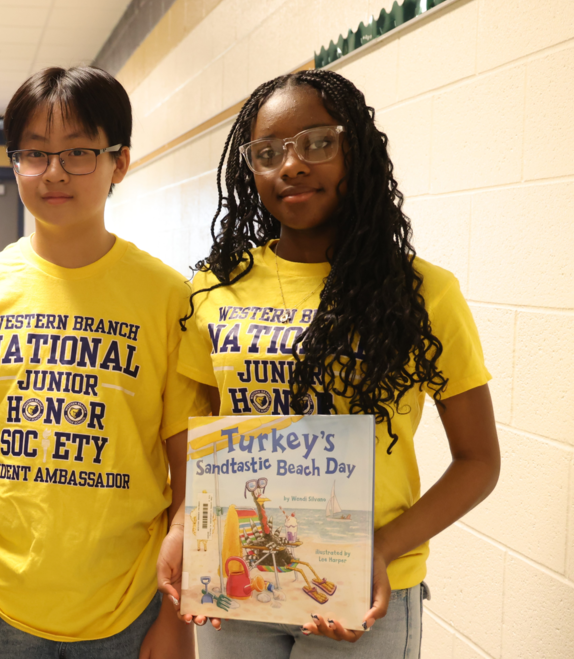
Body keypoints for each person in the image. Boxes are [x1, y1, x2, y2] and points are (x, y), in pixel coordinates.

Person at [165, 69, 500, 658]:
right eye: (267, 153)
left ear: (356, 151)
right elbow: (203, 440)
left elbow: (479, 461)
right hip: (240, 583)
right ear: (252, 171)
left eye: (317, 143)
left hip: (367, 589)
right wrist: (180, 531)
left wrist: (383, 547)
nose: (291, 166)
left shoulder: (421, 293)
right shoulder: (216, 288)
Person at [0, 66, 209, 659]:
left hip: (128, 604)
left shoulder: (168, 297)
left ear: (118, 162)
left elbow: (192, 471)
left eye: (78, 152)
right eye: (35, 153)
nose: (54, 172)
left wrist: (179, 617)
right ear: (14, 161)